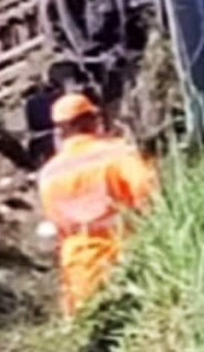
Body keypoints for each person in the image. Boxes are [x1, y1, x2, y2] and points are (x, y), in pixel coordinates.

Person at [37, 92, 160, 317]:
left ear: (61, 130)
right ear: (92, 120)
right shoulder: (117, 153)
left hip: (80, 266)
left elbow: (57, 222)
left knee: (89, 325)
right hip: (125, 257)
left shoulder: (49, 174)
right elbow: (149, 192)